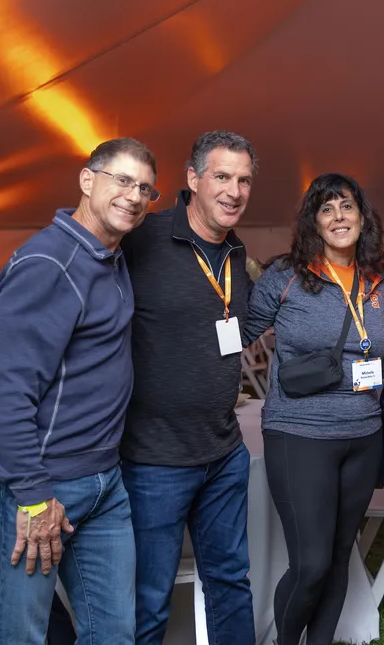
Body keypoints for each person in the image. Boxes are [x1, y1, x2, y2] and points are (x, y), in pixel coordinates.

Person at [0, 137, 157, 644]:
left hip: (102, 482)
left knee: (113, 634)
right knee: (20, 637)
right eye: (122, 180)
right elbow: (4, 396)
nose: (134, 196)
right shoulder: (50, 262)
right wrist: (33, 495)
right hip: (36, 485)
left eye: (144, 188)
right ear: (87, 179)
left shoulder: (112, 258)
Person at [119, 131, 257, 645]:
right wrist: (11, 312)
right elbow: (75, 264)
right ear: (193, 179)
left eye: (244, 180)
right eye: (222, 176)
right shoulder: (142, 238)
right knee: (148, 598)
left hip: (223, 453)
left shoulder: (237, 252)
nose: (234, 191)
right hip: (153, 459)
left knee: (229, 583)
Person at [242, 173, 384, 645]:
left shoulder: (379, 279)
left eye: (347, 207)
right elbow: (239, 335)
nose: (339, 217)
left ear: (363, 217)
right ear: (314, 221)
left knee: (339, 554)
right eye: (327, 209)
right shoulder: (286, 277)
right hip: (299, 434)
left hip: (364, 434)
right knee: (310, 565)